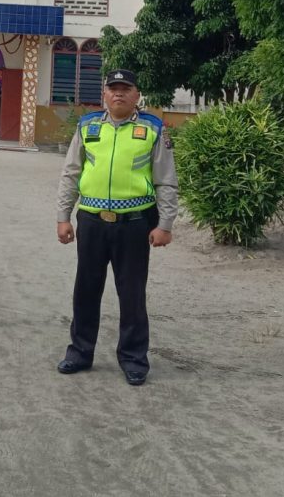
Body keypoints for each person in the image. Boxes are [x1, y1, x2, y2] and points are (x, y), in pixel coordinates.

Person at [55, 68, 178, 386]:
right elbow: (71, 172)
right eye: (113, 88)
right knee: (86, 289)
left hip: (135, 223)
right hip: (92, 222)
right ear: (104, 94)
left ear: (137, 95)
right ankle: (80, 353)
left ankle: (134, 358)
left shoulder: (153, 129)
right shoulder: (88, 126)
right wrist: (63, 216)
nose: (119, 93)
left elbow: (166, 180)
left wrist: (165, 224)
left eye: (126, 88)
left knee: (132, 293)